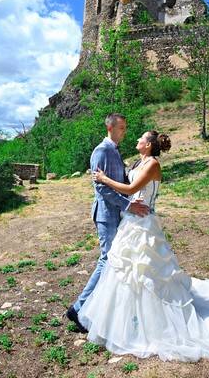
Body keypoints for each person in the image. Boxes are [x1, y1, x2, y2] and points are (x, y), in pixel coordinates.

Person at [78, 130, 209, 361]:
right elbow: (129, 184)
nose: (137, 140)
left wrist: (103, 179)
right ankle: (128, 321)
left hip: (143, 223)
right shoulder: (140, 161)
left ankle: (153, 325)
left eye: (141, 138)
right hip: (131, 221)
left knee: (147, 272)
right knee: (126, 271)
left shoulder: (153, 165)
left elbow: (130, 190)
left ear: (149, 145)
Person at [66, 113, 150, 332]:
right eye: (121, 128)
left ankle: (101, 308)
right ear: (110, 128)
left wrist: (134, 196)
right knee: (107, 260)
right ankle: (78, 308)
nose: (125, 131)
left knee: (114, 259)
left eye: (125, 127)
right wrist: (128, 205)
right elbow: (101, 188)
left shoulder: (114, 150)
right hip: (106, 214)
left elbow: (118, 182)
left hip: (117, 213)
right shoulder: (102, 150)